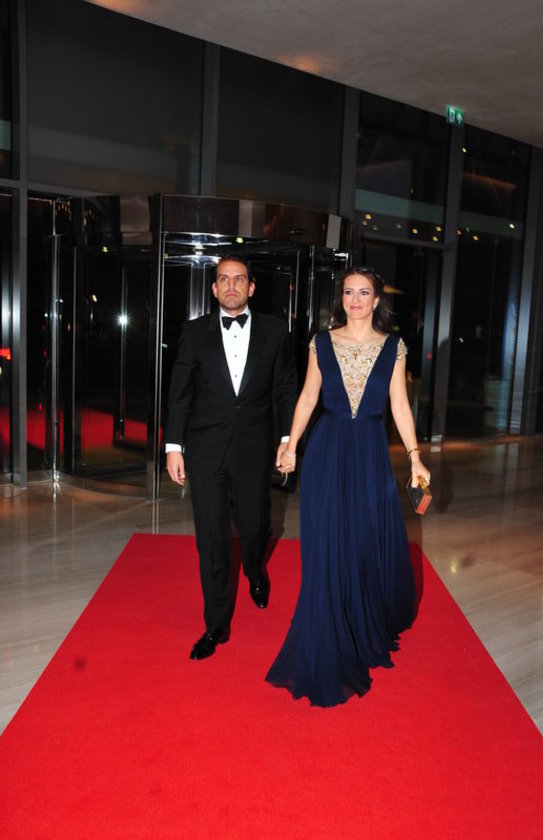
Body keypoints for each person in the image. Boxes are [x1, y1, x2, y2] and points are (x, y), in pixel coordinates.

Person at [266, 266, 430, 707]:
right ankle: (326, 636)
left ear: (376, 300)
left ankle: (359, 627)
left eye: (364, 292)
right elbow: (308, 398)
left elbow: (399, 405)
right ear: (341, 298)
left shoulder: (394, 348)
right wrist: (291, 445)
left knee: (362, 543)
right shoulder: (321, 343)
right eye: (348, 292)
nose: (355, 300)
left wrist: (415, 457)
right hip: (327, 451)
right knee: (326, 546)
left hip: (371, 455)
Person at [165, 256, 298, 661]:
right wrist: (173, 447)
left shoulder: (275, 331)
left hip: (254, 448)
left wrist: (287, 439)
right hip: (205, 449)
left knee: (255, 527)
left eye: (239, 279)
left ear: (251, 287)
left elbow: (286, 388)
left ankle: (255, 570)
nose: (231, 286)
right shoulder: (194, 333)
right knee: (211, 538)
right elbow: (180, 392)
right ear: (214, 288)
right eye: (223, 279)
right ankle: (215, 623)